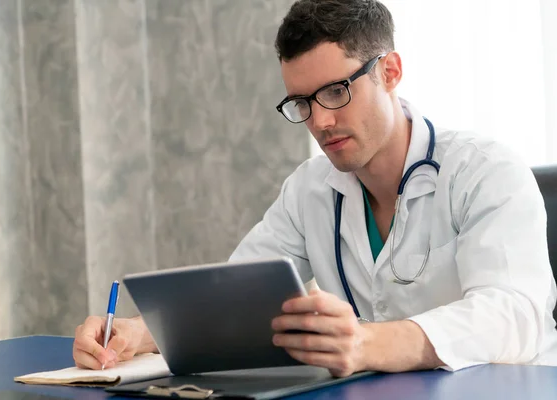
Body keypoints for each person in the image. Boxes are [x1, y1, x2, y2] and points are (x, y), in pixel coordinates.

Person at [73, 0, 557, 377]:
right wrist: (137, 333)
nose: (321, 121)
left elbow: (514, 315)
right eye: (302, 101)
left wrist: (367, 344)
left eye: (335, 91)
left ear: (390, 72)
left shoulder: (485, 170)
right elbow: (234, 294)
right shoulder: (310, 189)